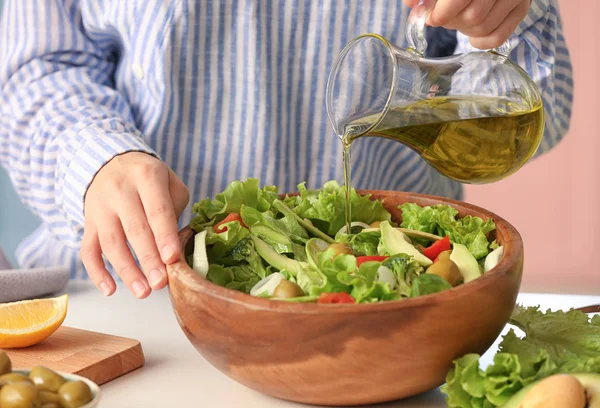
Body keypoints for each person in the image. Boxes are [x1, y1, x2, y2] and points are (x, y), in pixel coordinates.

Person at [0, 0, 573, 299]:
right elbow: (35, 68)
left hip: (396, 315)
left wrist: (511, 19)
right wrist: (98, 157)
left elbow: (545, 110)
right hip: (133, 298)